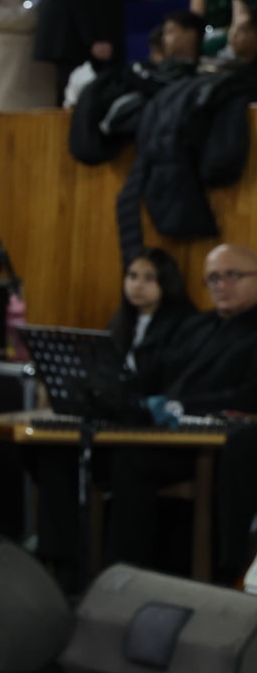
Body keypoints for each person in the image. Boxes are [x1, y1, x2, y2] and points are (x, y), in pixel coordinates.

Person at [109, 244, 257, 574]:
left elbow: (249, 395)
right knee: (76, 452)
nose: (222, 284)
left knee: (130, 460)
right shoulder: (196, 326)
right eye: (213, 278)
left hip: (215, 447)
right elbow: (156, 377)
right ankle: (75, 567)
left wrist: (179, 406)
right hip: (165, 435)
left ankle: (130, 575)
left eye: (233, 275)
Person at [109, 248, 197, 375]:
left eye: (149, 278)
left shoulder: (183, 323)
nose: (137, 285)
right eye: (132, 276)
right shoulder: (121, 319)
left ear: (166, 282)